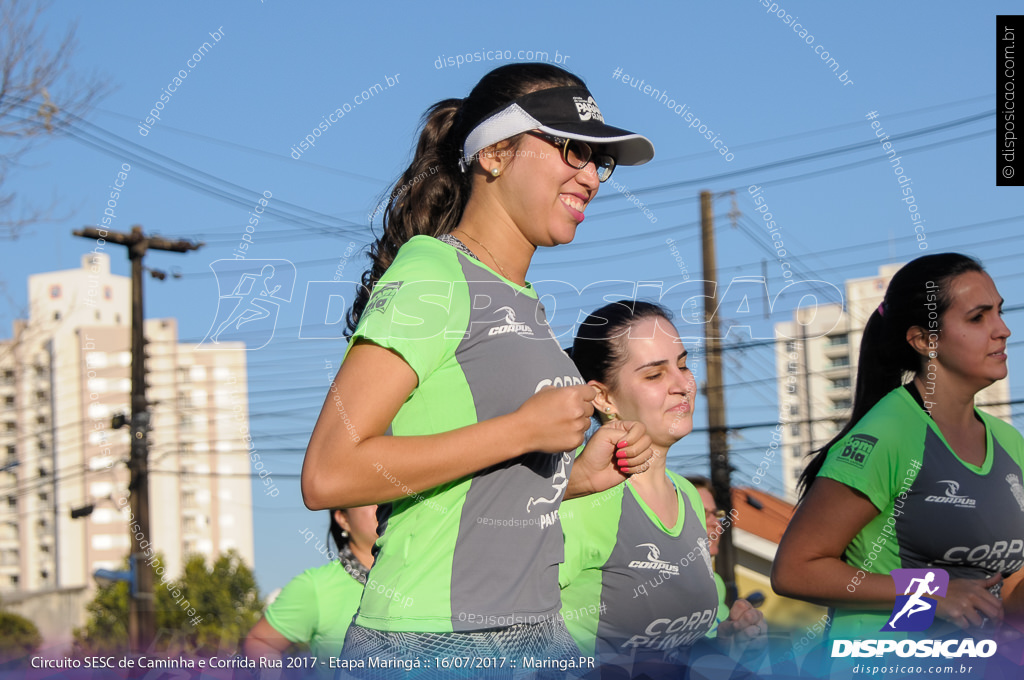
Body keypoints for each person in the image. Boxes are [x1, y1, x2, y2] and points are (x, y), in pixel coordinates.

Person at [300, 64, 658, 674]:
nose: (591, 176)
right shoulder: (432, 274)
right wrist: (523, 432)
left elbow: (468, 496)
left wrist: (570, 479)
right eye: (572, 148)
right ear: (493, 153)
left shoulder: (522, 301)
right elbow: (328, 474)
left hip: (534, 632)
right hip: (430, 641)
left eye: (600, 160)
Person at [772, 253, 1024, 646]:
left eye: (999, 312)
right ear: (925, 340)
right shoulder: (888, 434)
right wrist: (929, 591)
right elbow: (795, 570)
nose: (1003, 330)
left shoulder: (1009, 442)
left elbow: (1007, 588)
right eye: (978, 318)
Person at [559, 301, 765, 677]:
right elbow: (505, 627)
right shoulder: (578, 501)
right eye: (654, 375)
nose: (682, 385)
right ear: (604, 398)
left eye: (683, 364)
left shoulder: (688, 497)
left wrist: (726, 641)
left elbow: (681, 649)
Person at [243, 506, 377, 670]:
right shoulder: (315, 586)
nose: (383, 504)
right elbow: (260, 642)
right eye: (370, 499)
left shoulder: (415, 576)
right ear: (343, 519)